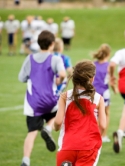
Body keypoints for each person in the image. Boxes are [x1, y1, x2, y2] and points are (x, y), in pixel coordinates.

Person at [18, 30, 66, 166]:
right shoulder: (55, 59)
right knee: (59, 114)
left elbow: (21, 78)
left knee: (31, 132)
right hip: (50, 101)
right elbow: (62, 73)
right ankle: (48, 128)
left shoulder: (30, 59)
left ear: (38, 44)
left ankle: (25, 161)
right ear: (52, 44)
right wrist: (58, 80)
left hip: (33, 103)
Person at [53, 60, 106, 166]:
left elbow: (58, 122)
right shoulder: (98, 98)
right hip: (88, 148)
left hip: (67, 146)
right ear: (91, 78)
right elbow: (103, 126)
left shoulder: (65, 96)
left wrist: (56, 128)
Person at [93, 43, 114, 143]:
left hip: (93, 93)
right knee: (106, 114)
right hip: (104, 93)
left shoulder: (93, 64)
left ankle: (94, 135)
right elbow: (111, 81)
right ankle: (103, 135)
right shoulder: (109, 66)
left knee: (94, 115)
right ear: (108, 54)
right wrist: (115, 89)